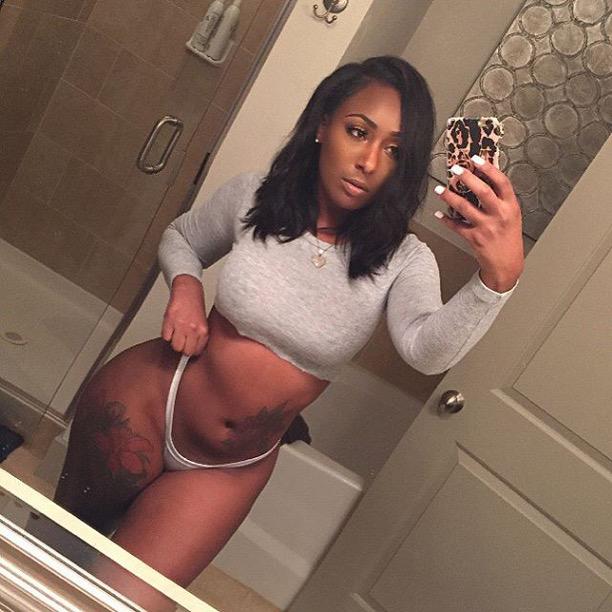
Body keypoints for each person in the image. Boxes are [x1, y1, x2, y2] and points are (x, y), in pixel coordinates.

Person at [53, 56, 523, 609]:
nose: (370, 161)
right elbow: (182, 238)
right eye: (358, 131)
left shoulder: (404, 258)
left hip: (229, 466)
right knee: (54, 549)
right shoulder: (255, 194)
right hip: (151, 398)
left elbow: (425, 351)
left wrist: (497, 280)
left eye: (395, 150)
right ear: (323, 124)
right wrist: (186, 289)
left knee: (119, 602)